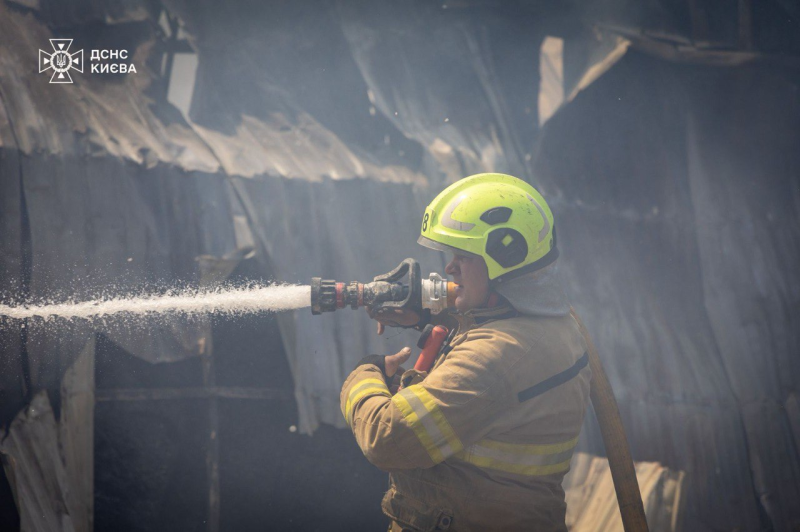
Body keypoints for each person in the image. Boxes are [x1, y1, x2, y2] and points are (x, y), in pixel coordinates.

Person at [340, 173, 592, 531]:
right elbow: (493, 317)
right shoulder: (554, 325)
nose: (449, 268)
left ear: (504, 258)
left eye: (463, 256)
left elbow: (387, 438)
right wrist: (424, 310)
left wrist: (364, 375)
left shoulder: (496, 357)